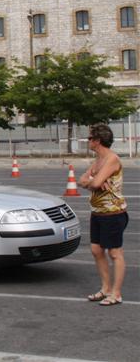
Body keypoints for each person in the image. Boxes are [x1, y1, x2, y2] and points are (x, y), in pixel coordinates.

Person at [78, 124, 128, 306]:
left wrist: (92, 181)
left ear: (98, 141)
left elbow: (96, 183)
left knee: (115, 252)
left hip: (113, 213)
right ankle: (105, 288)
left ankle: (116, 293)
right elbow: (82, 180)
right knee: (96, 250)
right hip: (98, 212)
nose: (88, 141)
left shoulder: (111, 159)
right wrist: (91, 181)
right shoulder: (98, 160)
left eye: (90, 138)